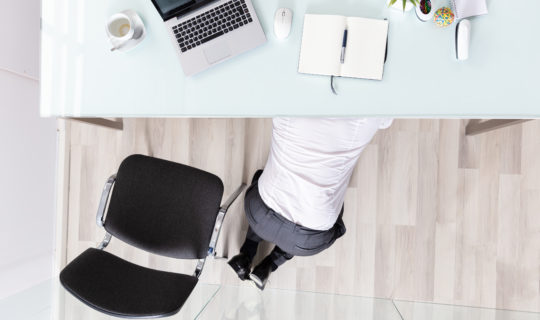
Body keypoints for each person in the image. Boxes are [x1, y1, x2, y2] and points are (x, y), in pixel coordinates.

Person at [228, 118, 393, 290]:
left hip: (265, 216)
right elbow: (386, 119)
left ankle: (246, 255)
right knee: (319, 219)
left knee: (263, 186)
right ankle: (269, 264)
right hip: (302, 238)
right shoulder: (366, 119)